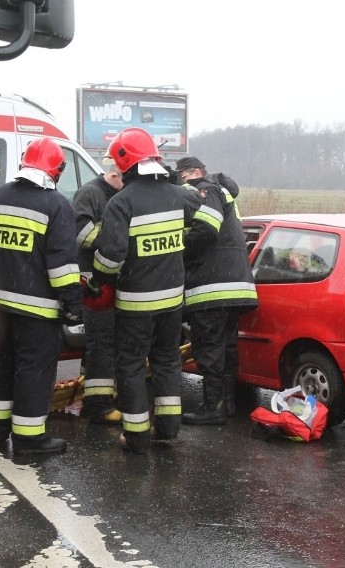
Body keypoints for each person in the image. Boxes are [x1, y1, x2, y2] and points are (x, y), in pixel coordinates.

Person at [87, 127, 215, 454]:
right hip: (172, 300)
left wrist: (97, 280)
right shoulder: (180, 196)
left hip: (135, 303)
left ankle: (137, 435)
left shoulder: (121, 203)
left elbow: (111, 258)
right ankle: (168, 428)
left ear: (125, 163)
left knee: (130, 365)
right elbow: (194, 202)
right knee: (167, 361)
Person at [0, 137, 82, 455]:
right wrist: (73, 304)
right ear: (57, 170)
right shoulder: (56, 205)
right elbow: (63, 266)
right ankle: (30, 439)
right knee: (33, 369)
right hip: (38, 310)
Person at [175, 156, 258, 425]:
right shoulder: (223, 193)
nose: (180, 184)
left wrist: (177, 246)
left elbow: (207, 230)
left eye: (182, 177)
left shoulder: (206, 189)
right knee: (226, 346)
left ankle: (213, 407)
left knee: (209, 347)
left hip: (212, 287)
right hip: (236, 286)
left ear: (196, 172)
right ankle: (227, 403)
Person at [72, 160, 125, 424]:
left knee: (105, 343)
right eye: (124, 180)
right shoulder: (90, 193)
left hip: (112, 280)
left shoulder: (117, 194)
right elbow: (83, 235)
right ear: (113, 175)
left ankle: (95, 394)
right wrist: (115, 234)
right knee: (101, 342)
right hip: (95, 282)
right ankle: (99, 405)